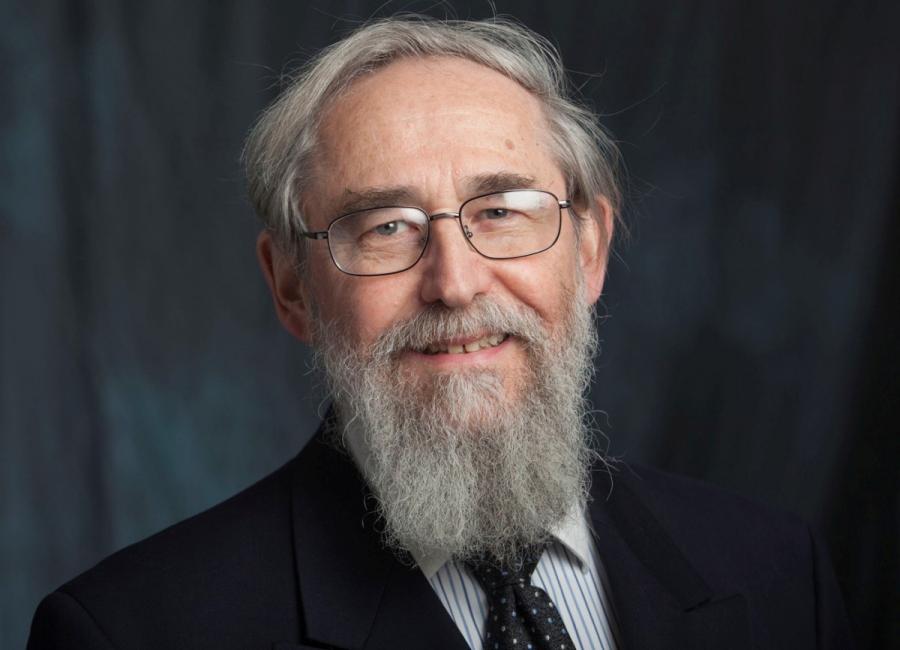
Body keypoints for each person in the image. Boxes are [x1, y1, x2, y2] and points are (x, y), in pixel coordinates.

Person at [28, 16, 853, 650]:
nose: (455, 284)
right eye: (386, 227)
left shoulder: (773, 569)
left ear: (591, 249)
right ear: (291, 287)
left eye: (502, 212)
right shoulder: (133, 631)